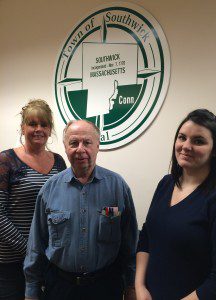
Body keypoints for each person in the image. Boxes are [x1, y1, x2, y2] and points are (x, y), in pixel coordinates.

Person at [24, 119, 138, 300]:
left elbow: (130, 243)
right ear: (65, 147)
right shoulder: (49, 189)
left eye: (87, 142)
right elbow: (36, 245)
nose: (80, 149)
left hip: (106, 286)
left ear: (98, 145)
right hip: (60, 288)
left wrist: (131, 286)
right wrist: (31, 290)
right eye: (74, 143)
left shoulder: (118, 187)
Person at [135, 109, 216, 300]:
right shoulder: (166, 184)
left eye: (198, 141)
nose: (186, 146)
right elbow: (146, 237)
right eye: (182, 137)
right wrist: (140, 287)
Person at [0, 99, 67, 300]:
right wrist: (30, 250)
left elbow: (63, 207)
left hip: (47, 258)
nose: (38, 129)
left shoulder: (58, 162)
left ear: (50, 129)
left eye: (44, 124)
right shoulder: (6, 160)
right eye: (32, 124)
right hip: (11, 261)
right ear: (22, 128)